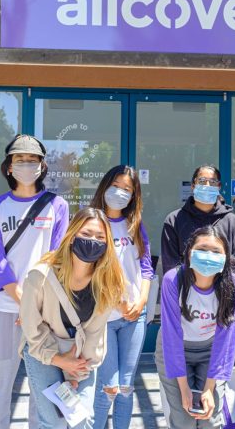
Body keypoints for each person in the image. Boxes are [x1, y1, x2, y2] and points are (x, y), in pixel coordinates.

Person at [0, 134, 69, 429]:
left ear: (43, 167)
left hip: (45, 311)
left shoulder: (57, 205)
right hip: (7, 307)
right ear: (8, 167)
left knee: (42, 385)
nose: (26, 165)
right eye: (20, 160)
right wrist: (23, 303)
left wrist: (35, 306)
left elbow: (56, 258)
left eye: (33, 160)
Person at [19, 207, 126, 429]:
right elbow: (31, 328)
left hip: (82, 355)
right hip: (43, 351)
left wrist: (75, 370)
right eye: (86, 234)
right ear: (71, 235)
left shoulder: (109, 282)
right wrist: (60, 360)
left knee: (81, 421)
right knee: (54, 422)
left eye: (99, 237)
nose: (92, 241)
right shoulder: (40, 275)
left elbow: (95, 332)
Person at [156, 226, 235, 429]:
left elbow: (226, 339)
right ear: (189, 253)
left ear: (226, 257)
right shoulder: (173, 280)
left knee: (209, 418)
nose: (208, 256)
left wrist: (209, 387)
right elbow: (172, 336)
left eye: (216, 252)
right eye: (202, 249)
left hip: (210, 349)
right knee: (183, 420)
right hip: (175, 350)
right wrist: (184, 387)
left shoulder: (233, 284)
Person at [89, 165, 154, 429]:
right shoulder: (92, 223)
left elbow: (147, 268)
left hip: (134, 318)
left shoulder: (135, 226)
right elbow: (87, 270)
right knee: (109, 386)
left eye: (127, 189)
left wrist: (141, 303)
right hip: (105, 317)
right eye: (116, 185)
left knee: (126, 385)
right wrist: (118, 302)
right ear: (105, 186)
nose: (120, 192)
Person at [161, 164, 235, 278]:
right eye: (202, 181)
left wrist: (231, 292)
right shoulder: (174, 220)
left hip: (223, 292)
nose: (207, 186)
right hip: (185, 291)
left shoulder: (233, 223)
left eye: (212, 182)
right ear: (193, 185)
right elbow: (170, 265)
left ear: (219, 186)